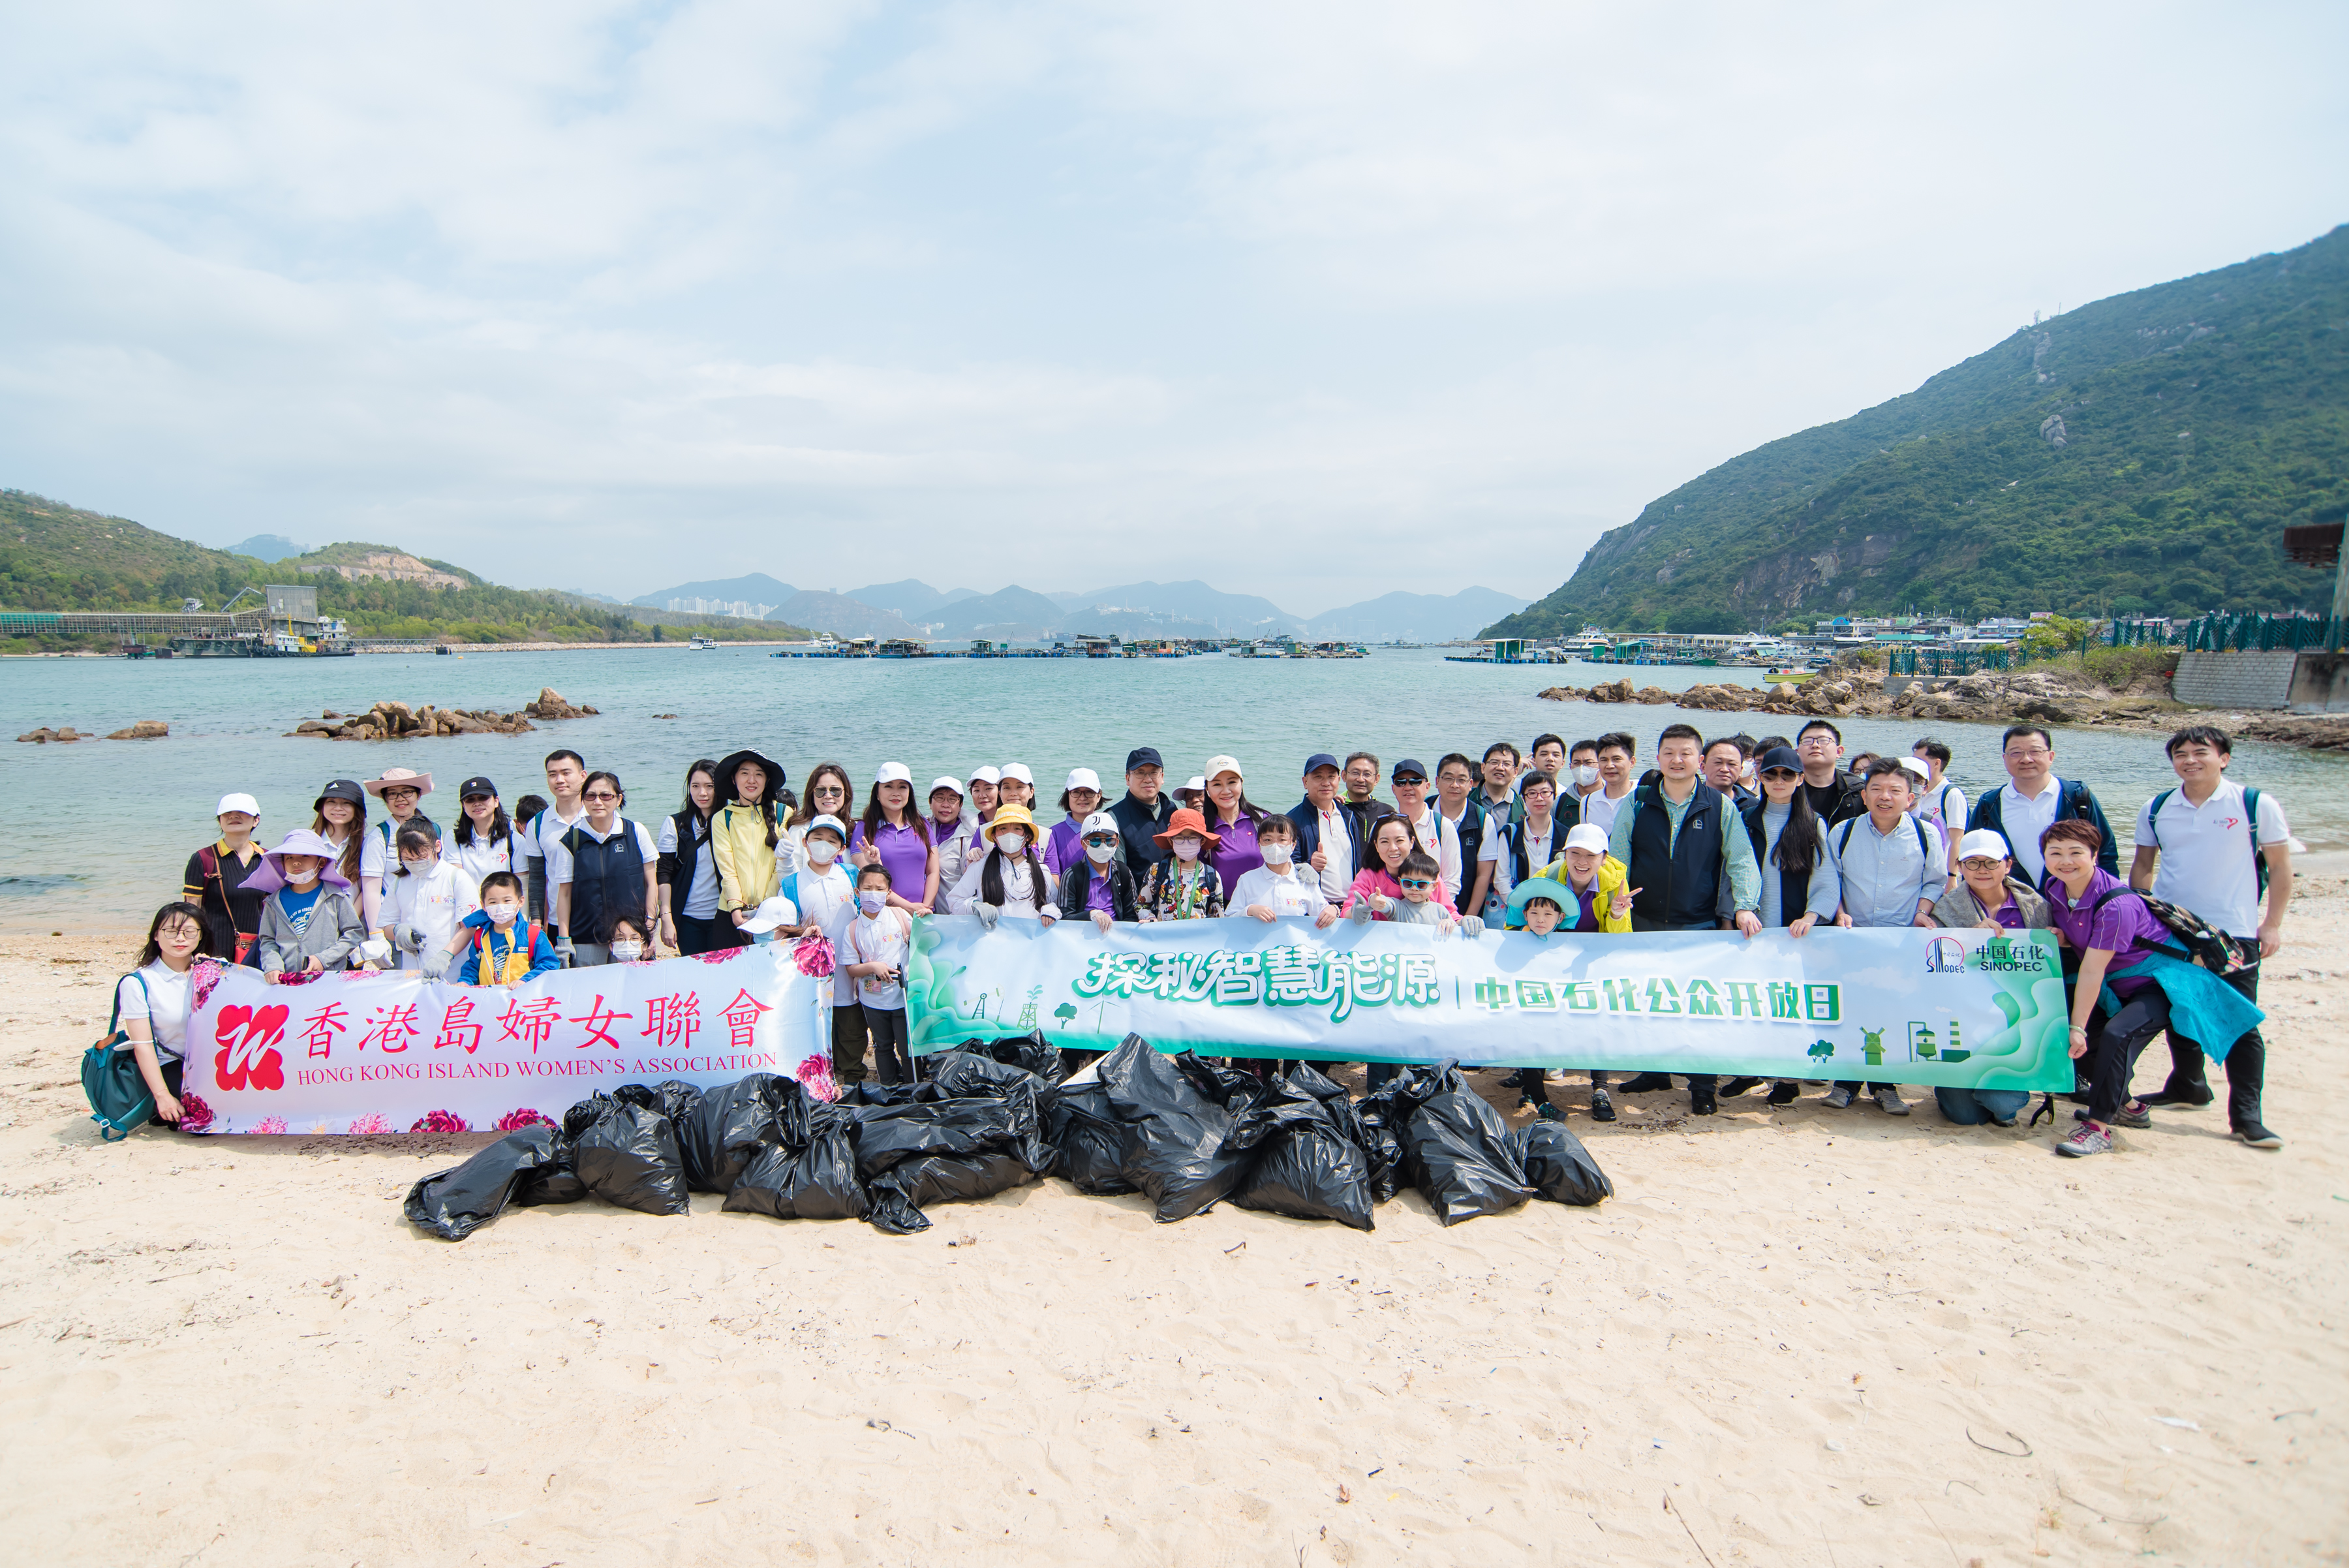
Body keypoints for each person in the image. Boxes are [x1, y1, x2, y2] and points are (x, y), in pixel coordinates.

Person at [2044, 820, 2263, 1158]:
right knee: (2072, 1041)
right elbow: (2084, 942)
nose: (2065, 861)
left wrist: (2079, 1026)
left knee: (2116, 1035)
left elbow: (2093, 968)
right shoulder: (2056, 890)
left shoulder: (2116, 904)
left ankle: (2098, 1130)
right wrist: (2063, 938)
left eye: (2076, 852)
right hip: (2116, 984)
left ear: (2095, 855)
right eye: (2055, 853)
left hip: (2159, 983)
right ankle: (2129, 1107)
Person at [2128, 724, 2290, 1147]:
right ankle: (2188, 1085)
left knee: (2239, 1020)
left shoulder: (2254, 804)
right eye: (2180, 754)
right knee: (2181, 1008)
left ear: (2224, 758)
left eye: (2201, 752)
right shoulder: (2157, 807)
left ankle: (2247, 1116)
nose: (2190, 760)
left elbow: (2281, 868)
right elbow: (2143, 865)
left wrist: (2272, 923)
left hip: (2233, 931)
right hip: (2171, 929)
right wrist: (2142, 913)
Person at [1607, 724, 1761, 1116]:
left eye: (1686, 753)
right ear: (1658, 758)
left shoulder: (1719, 805)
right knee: (1648, 999)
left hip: (1697, 923)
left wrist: (1745, 906)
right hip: (1643, 919)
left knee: (1698, 1007)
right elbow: (1618, 857)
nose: (1677, 760)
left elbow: (1741, 859)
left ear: (1700, 760)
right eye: (1669, 753)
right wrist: (1616, 901)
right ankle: (1655, 1072)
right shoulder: (1638, 801)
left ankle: (1703, 1086)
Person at [1817, 759, 1944, 1115]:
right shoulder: (1843, 831)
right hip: (1853, 938)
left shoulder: (1926, 834)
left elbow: (1935, 881)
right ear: (1865, 794)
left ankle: (1885, 1086)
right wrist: (1839, 912)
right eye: (1876, 789)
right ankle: (1846, 1083)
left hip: (1901, 941)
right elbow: (1831, 879)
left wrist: (1922, 911)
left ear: (1910, 797)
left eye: (1895, 790)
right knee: (1851, 1008)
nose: (1884, 797)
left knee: (1893, 1011)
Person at [1737, 745, 1843, 1105]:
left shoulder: (1813, 823)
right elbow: (1733, 868)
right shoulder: (1745, 818)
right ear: (1760, 777)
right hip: (1752, 927)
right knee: (1753, 1000)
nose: (1778, 781)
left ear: (1800, 780)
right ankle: (1749, 1072)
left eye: (1787, 775)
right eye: (1771, 774)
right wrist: (1734, 912)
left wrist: (1812, 916)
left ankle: (1788, 1079)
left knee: (1789, 1003)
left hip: (1794, 930)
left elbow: (1825, 877)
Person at [1924, 829, 2049, 1128]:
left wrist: (2055, 941)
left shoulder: (2036, 906)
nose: (1982, 870)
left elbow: (2048, 973)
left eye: (1991, 862)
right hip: (1964, 1016)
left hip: (2016, 1019)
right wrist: (1968, 939)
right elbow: (1934, 970)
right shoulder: (1946, 909)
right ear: (1959, 866)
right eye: (1972, 862)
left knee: (2001, 1103)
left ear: (2008, 865)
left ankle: (2003, 1101)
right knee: (1964, 1116)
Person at [1516, 822, 1633, 1122]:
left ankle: (1600, 1089)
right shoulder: (1546, 878)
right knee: (1538, 1018)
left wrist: (1617, 913)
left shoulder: (1616, 884)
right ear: (1564, 854)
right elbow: (1518, 920)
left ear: (1604, 858)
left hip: (1592, 963)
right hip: (1550, 961)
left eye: (1591, 855)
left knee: (1597, 1020)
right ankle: (1532, 1087)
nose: (1582, 862)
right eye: (1575, 853)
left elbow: (1622, 939)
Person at [1966, 724, 2118, 888]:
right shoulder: (1990, 803)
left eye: (2035, 751)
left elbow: (2106, 852)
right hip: (2011, 898)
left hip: (2072, 897)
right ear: (2005, 759)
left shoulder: (2077, 797)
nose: (2026, 759)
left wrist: (2110, 894)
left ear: (2051, 756)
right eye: (2016, 753)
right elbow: (1971, 857)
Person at [112, 902, 214, 1128]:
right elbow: (143, 1045)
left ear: (200, 936)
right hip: (172, 1064)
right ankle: (158, 1106)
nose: (180, 938)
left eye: (189, 932)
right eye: (171, 931)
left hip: (215, 1061)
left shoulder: (216, 972)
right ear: (156, 935)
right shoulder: (139, 983)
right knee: (202, 1120)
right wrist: (162, 1095)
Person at [549, 771, 659, 967]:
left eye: (606, 796)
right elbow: (564, 894)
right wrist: (564, 942)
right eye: (590, 796)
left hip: (630, 936)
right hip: (586, 937)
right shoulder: (572, 839)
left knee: (633, 984)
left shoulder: (635, 832)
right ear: (583, 800)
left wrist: (649, 927)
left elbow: (651, 883)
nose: (597, 802)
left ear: (618, 799)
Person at [256, 828, 370, 980]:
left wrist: (324, 959)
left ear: (321, 862)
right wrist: (273, 966)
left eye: (305, 856)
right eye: (289, 857)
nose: (296, 862)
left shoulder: (335, 897)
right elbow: (268, 939)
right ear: (283, 864)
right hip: (287, 979)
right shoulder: (274, 901)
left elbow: (354, 933)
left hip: (327, 978)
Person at [842, 863, 915, 1086]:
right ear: (857, 892)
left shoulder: (900, 917)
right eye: (868, 888)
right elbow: (851, 968)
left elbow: (922, 943)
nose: (873, 893)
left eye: (879, 889)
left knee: (907, 1048)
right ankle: (889, 1089)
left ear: (889, 893)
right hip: (873, 1000)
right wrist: (872, 967)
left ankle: (915, 1089)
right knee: (882, 1046)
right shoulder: (853, 929)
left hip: (902, 998)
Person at [711, 748, 788, 941]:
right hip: (731, 912)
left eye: (759, 774)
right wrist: (735, 908)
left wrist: (766, 905)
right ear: (733, 779)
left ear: (767, 780)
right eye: (745, 773)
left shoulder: (783, 813)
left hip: (772, 912)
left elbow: (781, 867)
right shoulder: (722, 818)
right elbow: (727, 869)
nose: (751, 780)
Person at [183, 792, 268, 966]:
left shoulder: (267, 859)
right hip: (214, 949)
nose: (233, 816)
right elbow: (192, 909)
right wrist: (193, 950)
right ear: (220, 821)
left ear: (256, 820)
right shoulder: (203, 858)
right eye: (227, 813)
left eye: (241, 812)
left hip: (259, 947)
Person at [383, 822, 479, 975]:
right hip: (412, 970)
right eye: (408, 859)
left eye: (421, 857)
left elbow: (469, 927)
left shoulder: (456, 878)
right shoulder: (399, 882)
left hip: (454, 970)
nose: (415, 863)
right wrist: (398, 931)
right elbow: (386, 924)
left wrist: (445, 956)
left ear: (437, 846)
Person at [1476, 768, 1571, 920]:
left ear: (1554, 796)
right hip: (1515, 910)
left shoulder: (1566, 836)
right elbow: (1502, 879)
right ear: (1523, 798)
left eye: (1545, 792)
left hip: (1554, 913)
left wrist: (1548, 913)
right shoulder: (1510, 833)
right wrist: (1522, 909)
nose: (1539, 798)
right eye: (1532, 793)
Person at [656, 760, 726, 955]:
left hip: (723, 917)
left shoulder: (730, 822)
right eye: (695, 786)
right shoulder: (675, 824)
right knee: (694, 970)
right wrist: (666, 918)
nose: (702, 793)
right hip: (687, 918)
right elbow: (664, 872)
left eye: (709, 786)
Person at [852, 761, 940, 915]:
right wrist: (909, 907)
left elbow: (933, 871)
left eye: (902, 787)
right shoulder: (863, 829)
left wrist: (926, 908)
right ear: (877, 793)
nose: (896, 793)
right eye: (889, 786)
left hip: (924, 914)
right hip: (885, 915)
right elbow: (870, 882)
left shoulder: (922, 825)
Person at [947, 805, 1060, 923]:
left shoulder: (1042, 871)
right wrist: (974, 905)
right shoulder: (980, 866)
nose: (1010, 834)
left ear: (1028, 836)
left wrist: (1051, 911)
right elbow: (954, 901)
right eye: (1003, 829)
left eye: (1017, 829)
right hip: (990, 934)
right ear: (994, 836)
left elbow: (1054, 902)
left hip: (1027, 935)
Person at [360, 768, 439, 932]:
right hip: (393, 923)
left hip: (432, 917)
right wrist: (376, 933)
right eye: (392, 794)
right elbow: (371, 892)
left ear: (419, 795)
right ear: (385, 799)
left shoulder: (433, 829)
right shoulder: (379, 836)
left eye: (407, 792)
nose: (400, 799)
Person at [1229, 812, 1339, 929]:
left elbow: (1323, 913)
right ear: (1259, 844)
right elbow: (1229, 919)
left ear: (1293, 844)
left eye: (1282, 839)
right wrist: (1250, 910)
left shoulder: (1305, 879)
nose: (1275, 845)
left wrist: (1334, 910)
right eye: (1268, 840)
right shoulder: (1247, 880)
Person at [452, 872, 562, 985]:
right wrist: (466, 982)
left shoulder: (533, 934)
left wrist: (525, 981)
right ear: (483, 905)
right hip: (490, 994)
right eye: (493, 902)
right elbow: (473, 967)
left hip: (523, 994)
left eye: (507, 901)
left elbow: (550, 965)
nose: (500, 906)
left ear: (520, 901)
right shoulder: (480, 936)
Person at [520, 750, 589, 931]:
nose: (559, 780)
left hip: (597, 918)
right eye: (552, 775)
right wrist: (536, 920)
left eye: (566, 773)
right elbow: (537, 877)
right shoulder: (537, 823)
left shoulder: (599, 816)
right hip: (556, 920)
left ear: (583, 776)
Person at [1343, 814, 1456, 923]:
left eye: (1400, 841)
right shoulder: (1368, 876)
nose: (1393, 848)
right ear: (1376, 845)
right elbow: (1347, 911)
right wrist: (1357, 913)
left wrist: (1463, 922)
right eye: (1385, 842)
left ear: (1411, 842)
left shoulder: (1428, 875)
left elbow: (1451, 915)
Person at [1287, 752, 1362, 909]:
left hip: (1350, 907)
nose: (1326, 783)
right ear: (1305, 782)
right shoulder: (1292, 820)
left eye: (1331, 777)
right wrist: (1310, 864)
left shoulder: (1348, 816)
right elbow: (1284, 867)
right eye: (1318, 777)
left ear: (1339, 780)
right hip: (1317, 908)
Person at [1054, 812, 1141, 931]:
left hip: (1117, 936)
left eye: (1110, 841)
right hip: (1080, 936)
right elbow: (1065, 917)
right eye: (1095, 841)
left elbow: (1132, 914)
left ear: (1117, 843)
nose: (1103, 846)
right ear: (1084, 844)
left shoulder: (1123, 872)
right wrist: (1091, 915)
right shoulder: (1072, 875)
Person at [1388, 758, 1462, 894]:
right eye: (1401, 782)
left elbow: (1452, 881)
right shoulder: (1382, 826)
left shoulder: (1443, 826)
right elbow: (1374, 873)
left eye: (1415, 781)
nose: (1408, 787)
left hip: (1433, 904)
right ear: (1393, 789)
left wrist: (1434, 906)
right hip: (1390, 904)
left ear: (1427, 787)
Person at [1141, 808, 1225, 921]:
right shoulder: (1156, 871)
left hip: (1198, 933)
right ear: (1171, 841)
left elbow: (1218, 918)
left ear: (1203, 841)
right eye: (1179, 838)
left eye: (1193, 838)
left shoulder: (1212, 876)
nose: (1186, 843)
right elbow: (1141, 905)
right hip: (1164, 933)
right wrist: (1149, 917)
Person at [1199, 756, 1267, 893]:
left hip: (1264, 903)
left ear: (1241, 783)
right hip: (1223, 904)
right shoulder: (1202, 828)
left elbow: (1282, 861)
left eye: (1232, 782)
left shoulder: (1262, 820)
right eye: (1217, 784)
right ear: (1207, 789)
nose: (1226, 791)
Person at [443, 776, 526, 885]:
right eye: (470, 800)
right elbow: (457, 882)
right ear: (463, 805)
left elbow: (522, 887)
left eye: (483, 798)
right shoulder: (454, 838)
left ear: (496, 801)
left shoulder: (515, 840)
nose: (477, 803)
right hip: (467, 897)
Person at [1381, 849, 1482, 937]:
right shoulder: (1397, 907)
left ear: (1434, 886)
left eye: (1421, 884)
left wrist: (1450, 923)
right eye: (1408, 883)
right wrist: (1376, 900)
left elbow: (1453, 933)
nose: (1414, 888)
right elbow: (1385, 904)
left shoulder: (1440, 910)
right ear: (1400, 882)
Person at [309, 778, 371, 923]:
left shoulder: (367, 845)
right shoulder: (308, 842)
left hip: (352, 925)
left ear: (357, 809)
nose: (338, 808)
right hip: (312, 922)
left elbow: (368, 890)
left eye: (346, 803)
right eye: (331, 802)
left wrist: (347, 923)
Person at [1111, 748, 1175, 881]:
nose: (1148, 779)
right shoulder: (1115, 817)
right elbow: (1118, 873)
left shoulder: (1172, 810)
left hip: (1176, 892)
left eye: (1154, 773)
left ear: (1162, 777)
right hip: (1138, 893)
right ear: (1128, 779)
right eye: (1140, 773)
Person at [1439, 754, 1496, 899]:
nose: (1455, 785)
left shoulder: (1483, 820)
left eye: (1461, 780)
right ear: (1437, 781)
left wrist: (1470, 912)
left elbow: (1483, 875)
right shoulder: (1424, 811)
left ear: (1470, 784)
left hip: (1465, 905)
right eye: (1448, 778)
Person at [1793, 720, 1867, 828]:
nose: (1815, 745)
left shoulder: (1858, 789)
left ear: (1839, 752)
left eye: (1823, 740)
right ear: (1797, 752)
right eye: (1807, 741)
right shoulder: (1788, 787)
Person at [786, 764, 856, 875]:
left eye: (835, 790)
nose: (828, 796)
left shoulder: (856, 829)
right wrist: (784, 860)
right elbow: (789, 877)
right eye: (820, 791)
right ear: (812, 795)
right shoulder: (798, 830)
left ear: (846, 793)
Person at [1911, 739, 1966, 864]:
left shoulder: (1952, 795)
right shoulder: (1915, 791)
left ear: (1937, 763)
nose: (1914, 767)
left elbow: (1957, 840)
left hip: (1939, 866)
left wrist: (1952, 873)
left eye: (1919, 761)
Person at [1045, 769, 1105, 878]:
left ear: (1099, 795)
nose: (1082, 798)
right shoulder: (1053, 834)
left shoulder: (1108, 829)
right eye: (1076, 792)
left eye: (1089, 792)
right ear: (1068, 795)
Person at [1580, 733, 1638, 837]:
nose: (1610, 766)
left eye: (1617, 759)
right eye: (1604, 760)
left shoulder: (1641, 798)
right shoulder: (1588, 802)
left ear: (1632, 762)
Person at [927, 777, 975, 896]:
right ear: (930, 803)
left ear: (960, 805)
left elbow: (970, 884)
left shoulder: (966, 838)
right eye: (940, 798)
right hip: (916, 906)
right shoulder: (920, 830)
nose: (945, 805)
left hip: (950, 907)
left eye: (952, 800)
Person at [1340, 752, 1390, 838]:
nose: (1360, 779)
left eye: (1367, 774)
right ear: (1344, 776)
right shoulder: (1335, 809)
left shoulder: (1386, 812)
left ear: (1376, 779)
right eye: (1355, 773)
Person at [1473, 743, 1522, 827]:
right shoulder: (1467, 799)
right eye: (1494, 762)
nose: (1500, 768)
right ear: (1483, 768)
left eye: (1507, 764)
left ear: (1515, 772)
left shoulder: (1522, 804)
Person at [1558, 739, 1604, 824]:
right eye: (1577, 763)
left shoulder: (1611, 800)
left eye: (1588, 762)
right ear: (1571, 767)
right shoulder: (1560, 803)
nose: (1582, 768)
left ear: (1601, 764)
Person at [1704, 736, 1758, 808]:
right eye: (1718, 762)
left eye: (1731, 764)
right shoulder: (1691, 801)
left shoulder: (1754, 805)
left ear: (1740, 770)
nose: (1725, 769)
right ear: (1703, 767)